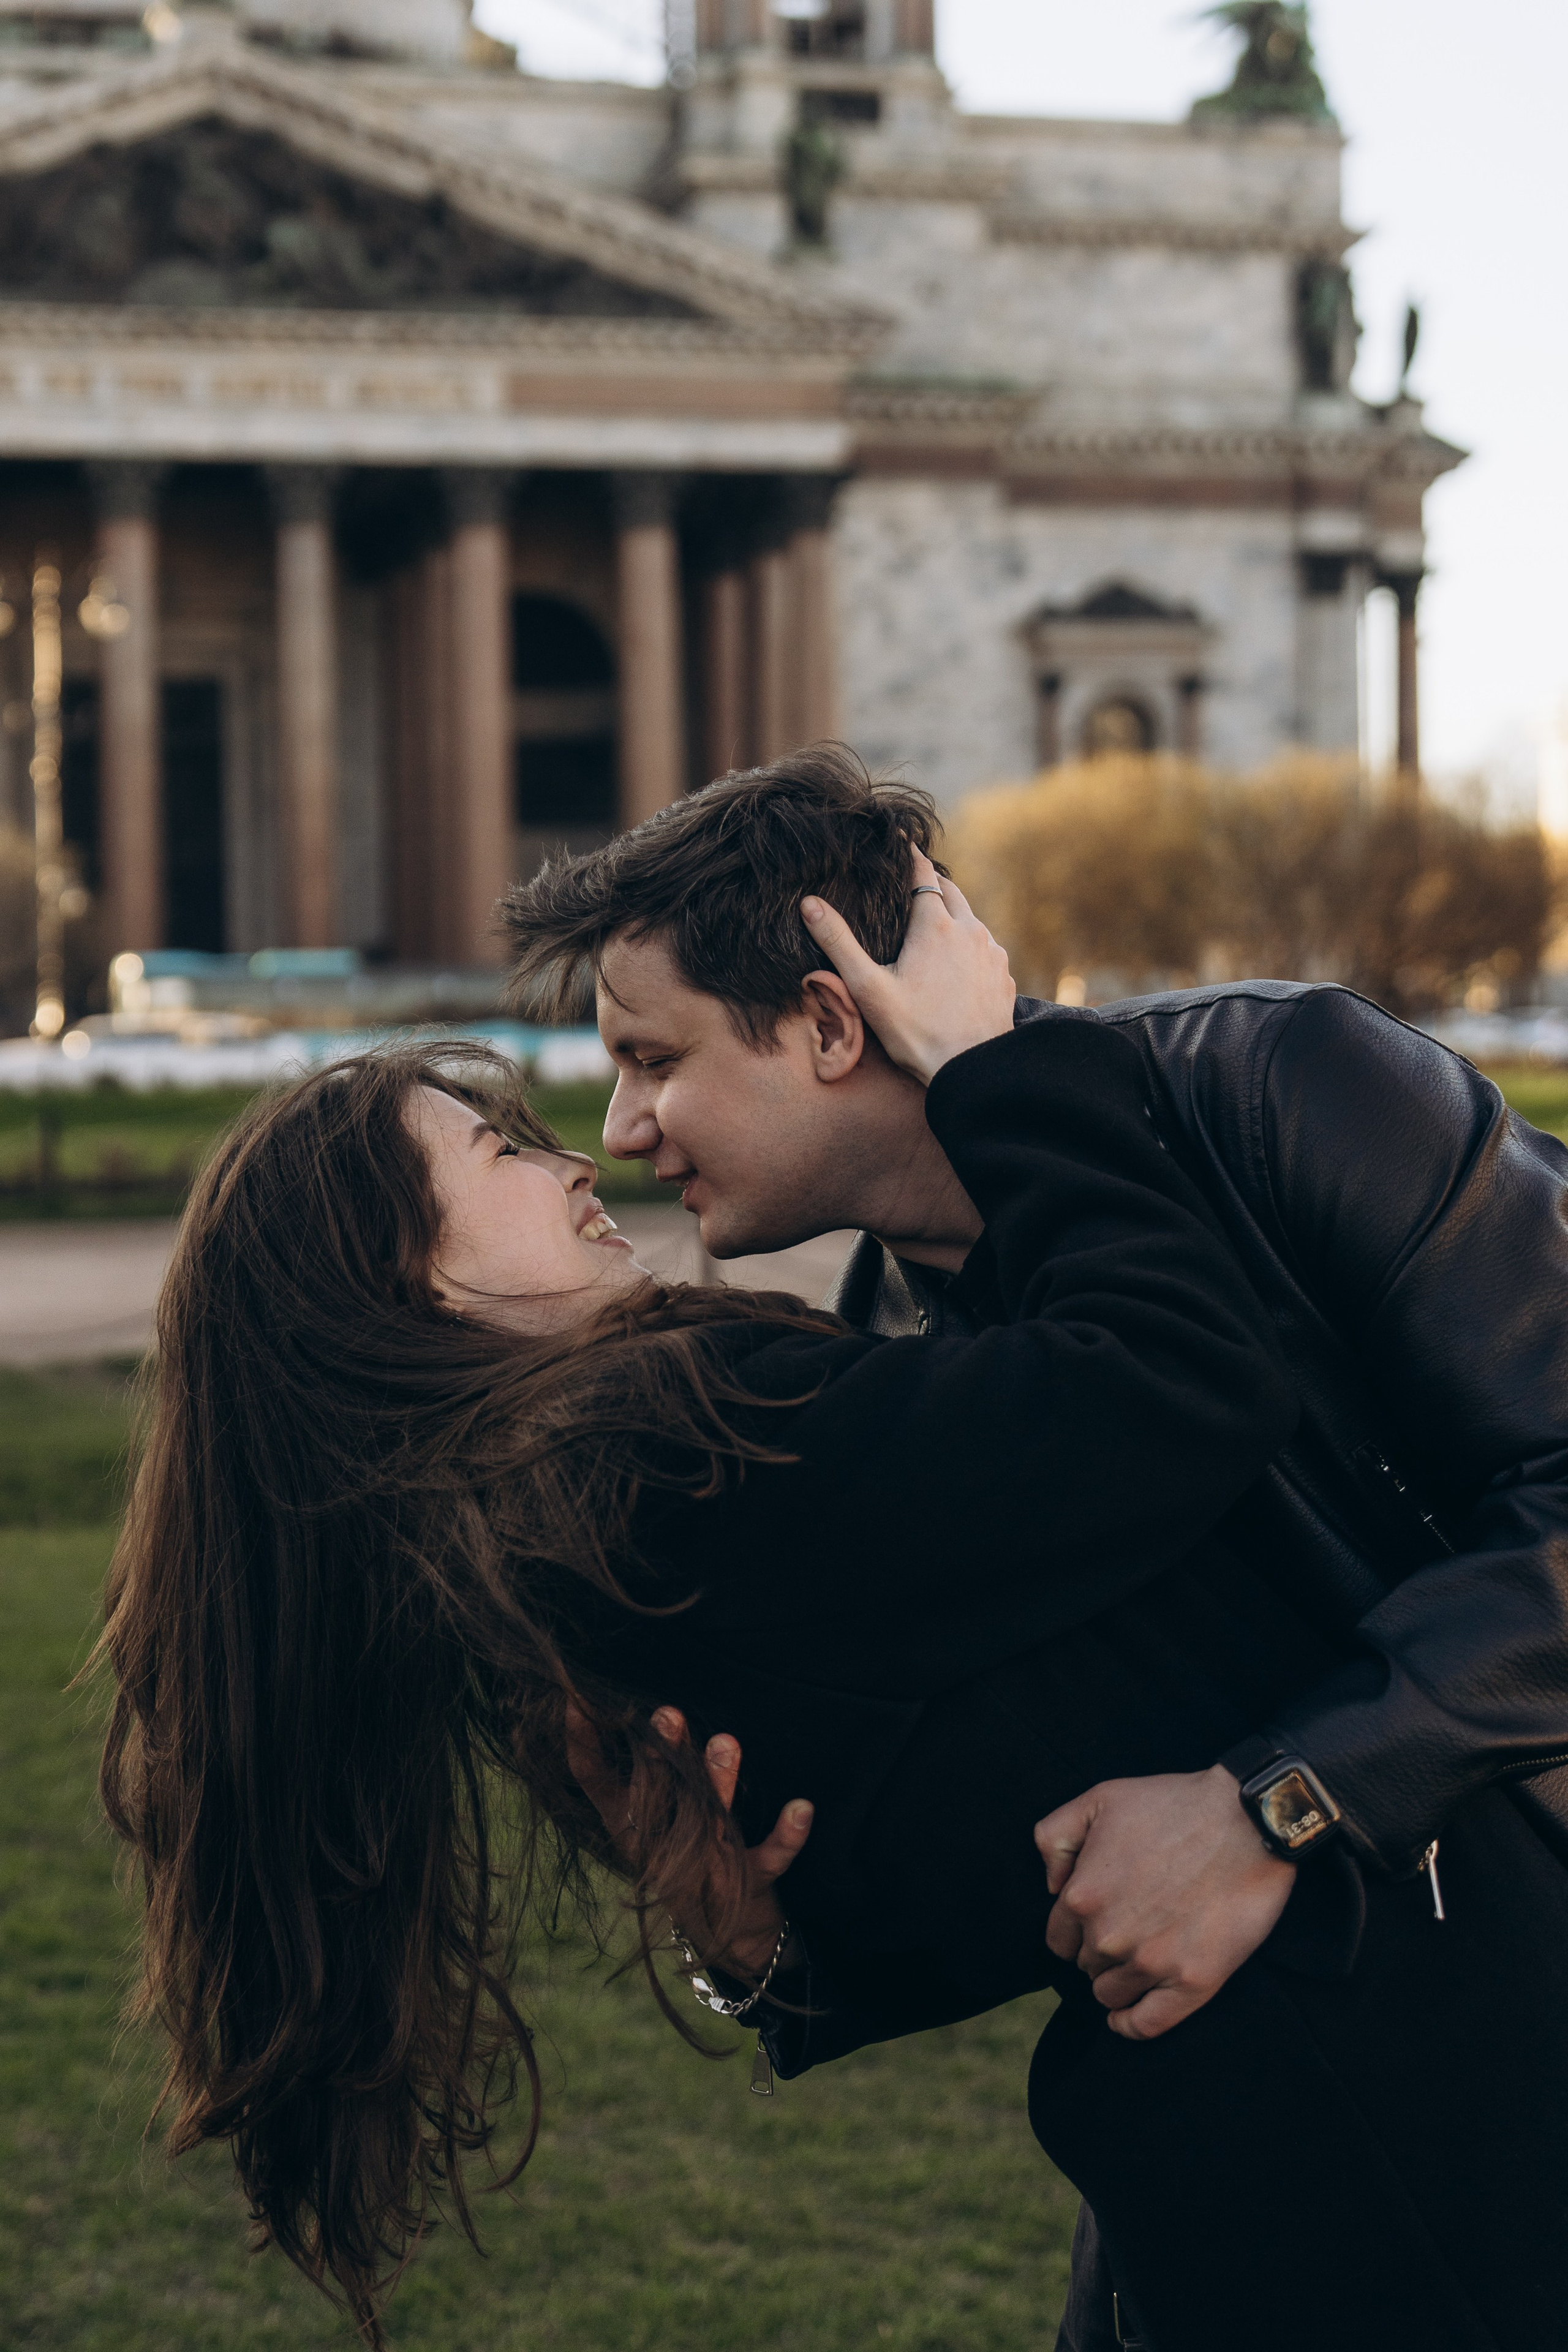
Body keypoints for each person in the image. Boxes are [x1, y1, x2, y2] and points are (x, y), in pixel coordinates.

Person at [99, 873, 1313, 2349]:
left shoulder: (540, 1556)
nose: (577, 1169)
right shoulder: (665, 1444)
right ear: (405, 1282)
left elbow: (968, 1866)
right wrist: (1002, 1070)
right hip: (1350, 2094)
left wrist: (767, 1959)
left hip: (1224, 2139)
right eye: (502, 1151)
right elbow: (1185, 1383)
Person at [503, 747, 1568, 2352]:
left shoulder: (1289, 1089)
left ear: (831, 1021)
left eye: (652, 1058)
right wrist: (774, 1955)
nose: (623, 1127)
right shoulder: (891, 1335)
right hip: (1256, 2142)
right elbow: (1037, 1841)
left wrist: (1281, 1801)